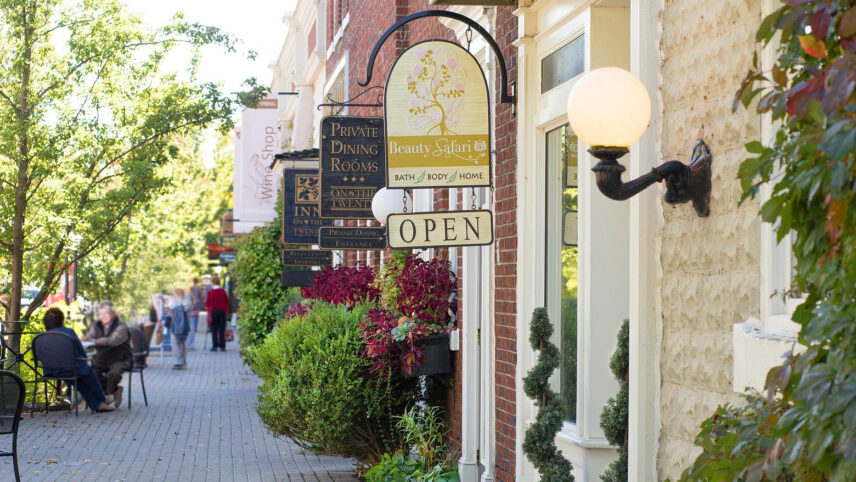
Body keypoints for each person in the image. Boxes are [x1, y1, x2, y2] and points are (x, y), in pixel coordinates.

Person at [42, 308, 114, 412]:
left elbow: (39, 356)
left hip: (50, 372)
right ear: (61, 319)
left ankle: (98, 405)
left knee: (79, 381)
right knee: (88, 372)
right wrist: (84, 360)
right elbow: (81, 352)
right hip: (70, 369)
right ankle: (102, 399)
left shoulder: (41, 337)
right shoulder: (68, 332)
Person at [83, 301, 132, 407]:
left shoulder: (121, 326)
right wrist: (85, 339)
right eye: (101, 314)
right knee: (90, 372)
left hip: (120, 358)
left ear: (113, 314)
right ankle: (116, 391)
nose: (103, 316)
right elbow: (89, 336)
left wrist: (94, 341)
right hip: (102, 358)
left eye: (106, 313)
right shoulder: (97, 325)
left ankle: (107, 396)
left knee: (113, 374)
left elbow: (112, 341)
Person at [165, 288, 191, 369]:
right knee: (175, 342)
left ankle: (180, 362)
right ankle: (179, 362)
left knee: (180, 342)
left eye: (174, 294)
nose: (173, 295)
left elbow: (182, 310)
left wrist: (171, 310)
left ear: (178, 294)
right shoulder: (173, 301)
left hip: (182, 325)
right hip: (174, 324)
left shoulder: (186, 301)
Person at [205, 275, 229, 351]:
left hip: (214, 312)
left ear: (212, 283)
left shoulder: (210, 292)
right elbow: (227, 302)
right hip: (222, 312)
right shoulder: (223, 291)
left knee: (214, 329)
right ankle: (222, 346)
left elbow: (207, 304)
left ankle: (214, 346)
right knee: (222, 329)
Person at [187, 278, 203, 350]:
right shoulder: (199, 288)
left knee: (193, 316)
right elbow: (201, 296)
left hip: (191, 302)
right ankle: (195, 328)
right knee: (196, 315)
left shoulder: (191, 288)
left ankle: (194, 328)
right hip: (198, 301)